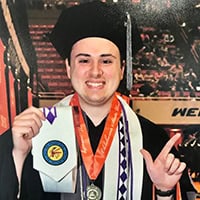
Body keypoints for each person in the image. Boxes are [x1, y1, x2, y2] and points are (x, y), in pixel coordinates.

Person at [0, 1, 197, 200]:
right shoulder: (34, 132)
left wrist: (165, 191)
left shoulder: (154, 141)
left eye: (106, 61)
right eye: (84, 60)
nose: (95, 71)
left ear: (122, 69)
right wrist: (18, 155)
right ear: (68, 67)